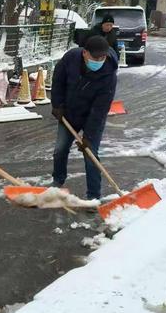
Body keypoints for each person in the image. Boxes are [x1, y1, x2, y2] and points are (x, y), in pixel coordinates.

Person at [51, 35, 118, 200]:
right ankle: (57, 181)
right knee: (60, 149)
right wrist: (57, 105)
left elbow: (100, 109)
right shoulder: (71, 58)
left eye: (102, 57)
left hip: (92, 117)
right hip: (69, 113)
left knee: (91, 154)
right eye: (95, 57)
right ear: (84, 53)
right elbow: (58, 80)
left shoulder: (109, 75)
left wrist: (88, 136)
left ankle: (93, 196)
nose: (99, 60)